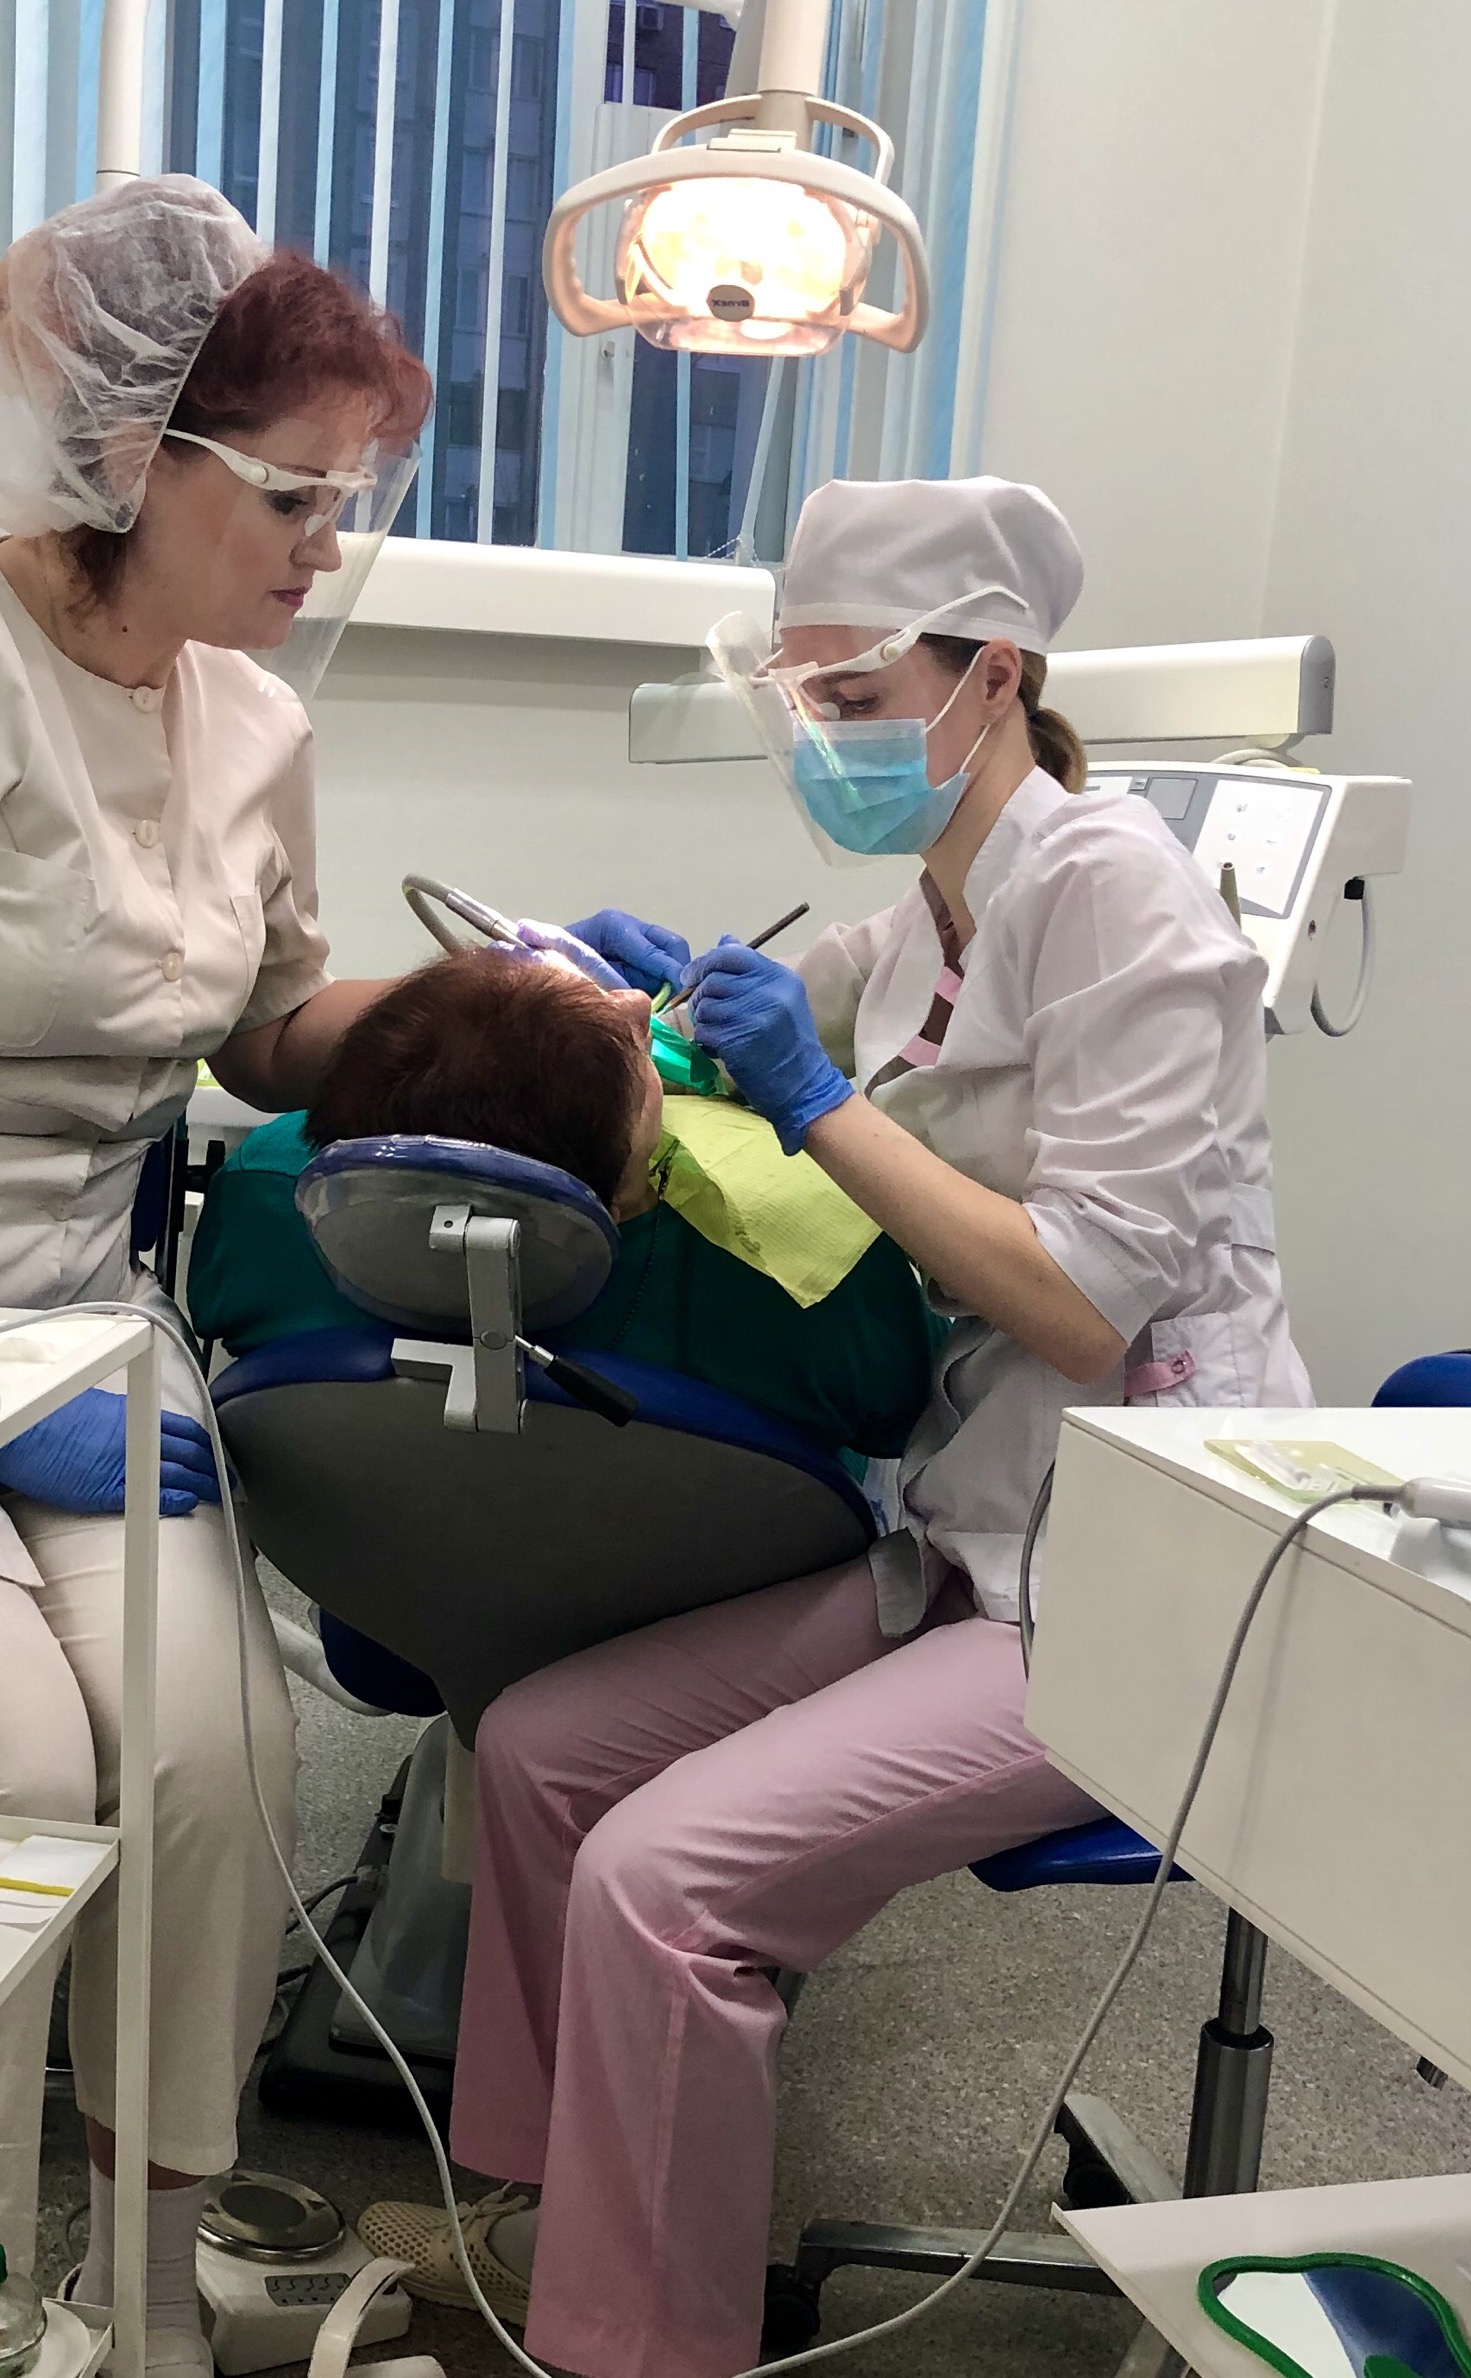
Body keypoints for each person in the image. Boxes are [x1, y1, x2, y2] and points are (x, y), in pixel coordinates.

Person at [361, 476, 1312, 2378]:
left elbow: (1080, 1300)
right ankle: (556, 2215)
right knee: (540, 1749)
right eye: (800, 697)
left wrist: (811, 1099)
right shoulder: (930, 916)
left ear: (995, 675)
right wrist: (638, 999)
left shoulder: (1116, 893)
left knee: (668, 1877)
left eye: (856, 693)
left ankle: (640, 2341)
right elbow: (754, 1025)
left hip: (1141, 1580)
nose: (823, 736)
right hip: (977, 1524)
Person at [0, 174, 684, 2374]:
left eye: (349, 502)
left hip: (85, 1328)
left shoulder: (253, 725)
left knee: (213, 1764)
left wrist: (498, 1007)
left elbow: (267, 1028)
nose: (324, 547)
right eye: (291, 497)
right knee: (24, 1781)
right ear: (132, 456)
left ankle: (139, 2291)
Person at [187, 947, 939, 1456]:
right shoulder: (813, 1261)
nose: (635, 1003)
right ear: (621, 1197)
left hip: (384, 1588)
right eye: (628, 1052)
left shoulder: (265, 1189)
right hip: (723, 1605)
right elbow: (900, 1416)